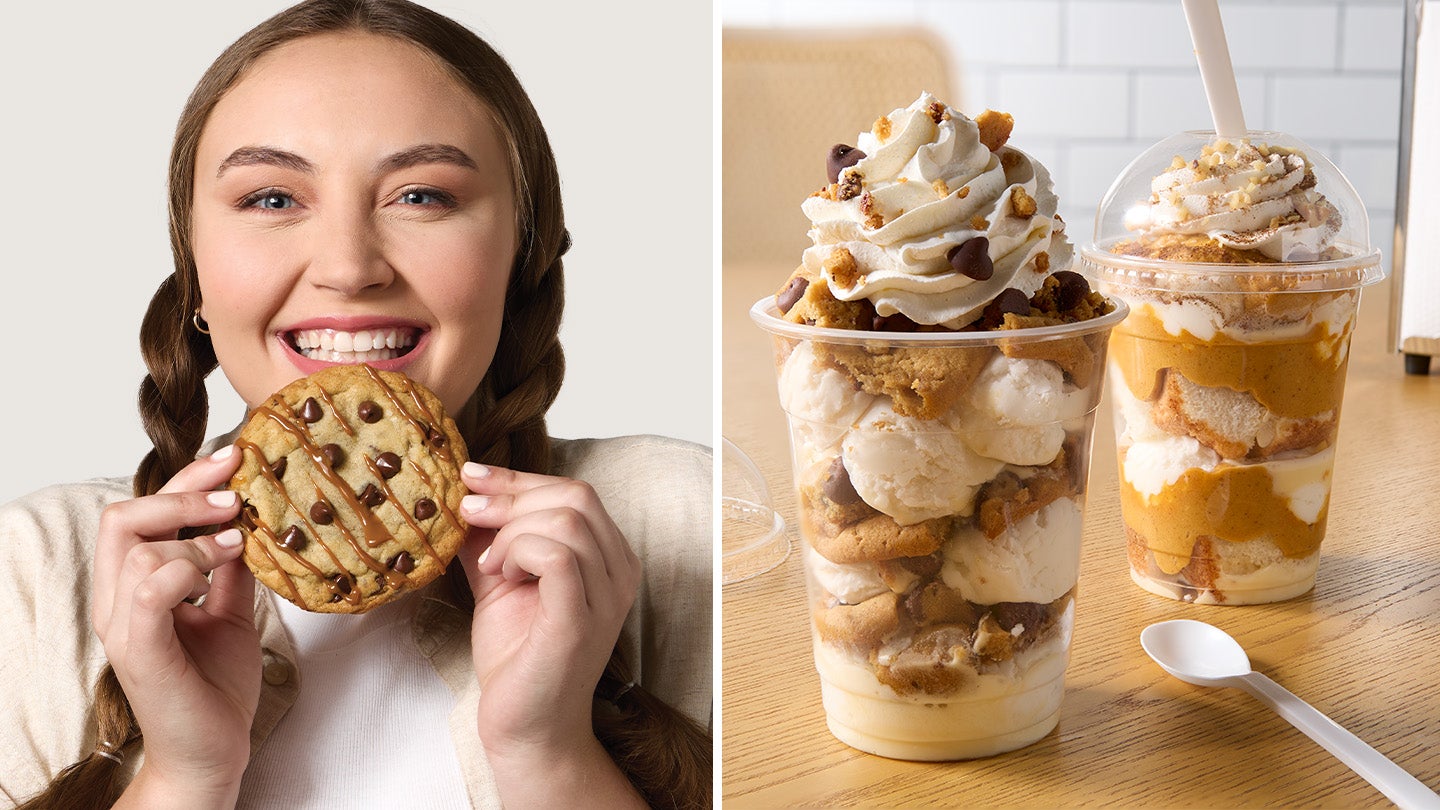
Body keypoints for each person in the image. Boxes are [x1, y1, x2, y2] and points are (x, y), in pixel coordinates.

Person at [0, 1, 712, 807]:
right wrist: (181, 775)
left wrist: (548, 755)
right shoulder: (32, 576)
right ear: (192, 269)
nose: (347, 267)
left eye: (422, 197)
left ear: (521, 255)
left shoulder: (688, 522)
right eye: (271, 198)